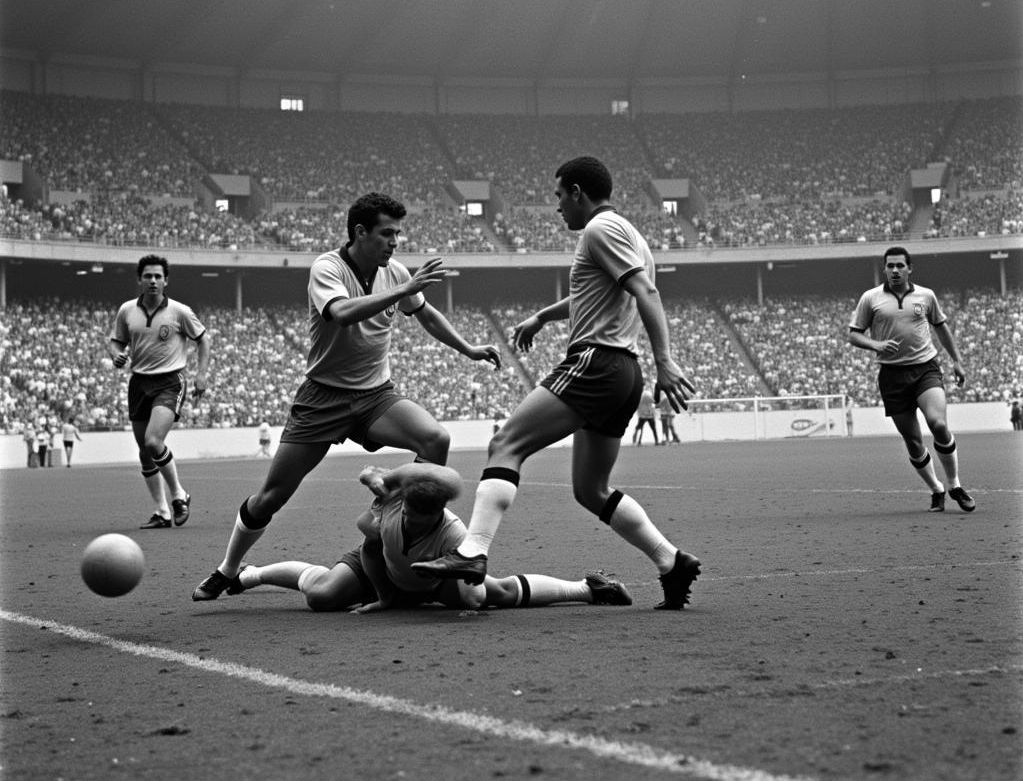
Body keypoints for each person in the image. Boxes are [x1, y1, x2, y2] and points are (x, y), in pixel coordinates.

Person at [412, 156, 702, 610]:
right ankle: (671, 561)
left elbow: (646, 292)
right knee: (591, 490)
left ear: (578, 193)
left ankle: (472, 553)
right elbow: (595, 290)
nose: (557, 207)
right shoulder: (629, 235)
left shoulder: (598, 229)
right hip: (623, 372)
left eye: (559, 196)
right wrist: (544, 316)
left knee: (505, 444)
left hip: (595, 361)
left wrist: (667, 359)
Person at [192, 191, 501, 600]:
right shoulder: (327, 267)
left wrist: (469, 349)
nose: (395, 243)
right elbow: (341, 313)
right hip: (324, 398)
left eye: (398, 234)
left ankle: (400, 528)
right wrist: (403, 288)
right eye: (387, 234)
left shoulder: (394, 271)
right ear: (360, 232)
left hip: (375, 395)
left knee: (435, 439)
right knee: (272, 497)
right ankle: (229, 569)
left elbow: (424, 312)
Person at [221, 462, 632, 613]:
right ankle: (251, 575)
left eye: (425, 519)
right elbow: (369, 547)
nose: (417, 523)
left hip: (436, 579)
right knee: (321, 597)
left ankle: (590, 588)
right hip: (381, 568)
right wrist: (384, 597)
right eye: (412, 516)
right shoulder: (390, 510)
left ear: (438, 512)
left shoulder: (455, 533)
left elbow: (471, 593)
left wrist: (465, 596)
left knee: (498, 595)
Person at [847, 246, 975, 513]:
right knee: (913, 441)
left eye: (899, 266)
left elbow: (941, 326)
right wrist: (877, 345)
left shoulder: (926, 296)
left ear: (909, 268)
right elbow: (854, 335)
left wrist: (957, 361)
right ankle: (936, 490)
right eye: (890, 266)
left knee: (938, 424)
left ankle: (955, 485)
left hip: (925, 369)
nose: (894, 270)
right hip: (892, 376)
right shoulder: (870, 298)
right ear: (884, 269)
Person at [110, 254, 210, 529]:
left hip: (170, 381)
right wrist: (116, 355)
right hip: (139, 382)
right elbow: (115, 342)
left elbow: (203, 340)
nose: (153, 281)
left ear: (166, 280)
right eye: (148, 276)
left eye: (158, 276)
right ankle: (162, 512)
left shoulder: (179, 311)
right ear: (140, 279)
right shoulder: (127, 310)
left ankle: (179, 494)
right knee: (144, 452)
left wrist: (201, 375)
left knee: (154, 441)